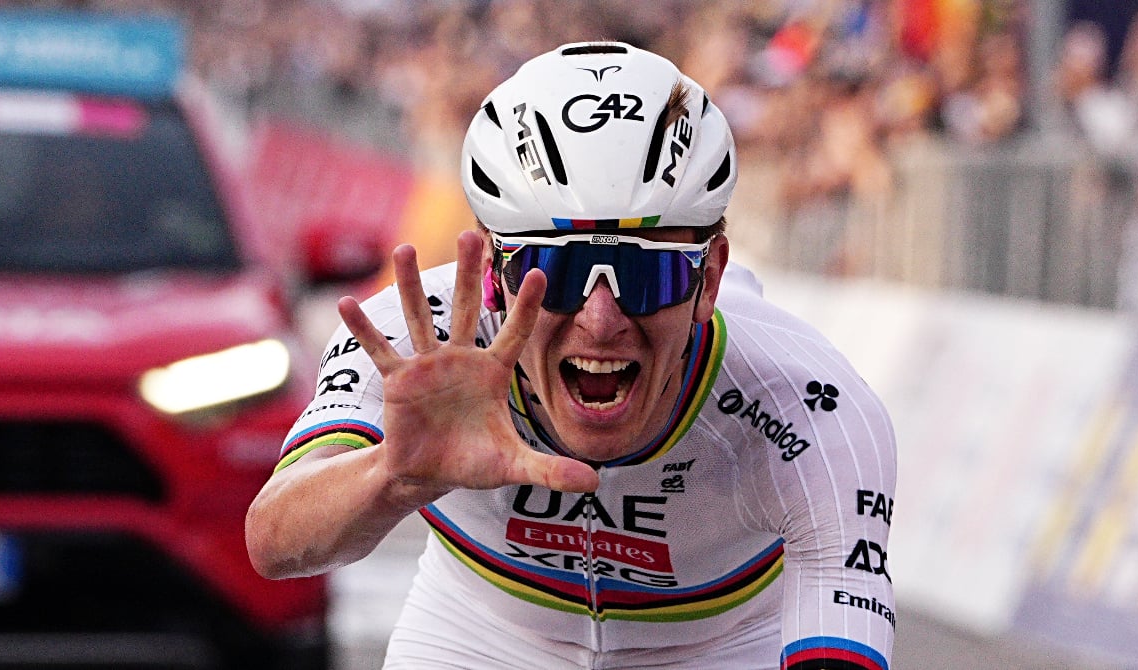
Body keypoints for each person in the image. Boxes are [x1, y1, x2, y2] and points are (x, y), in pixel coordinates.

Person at [246, 41, 897, 670]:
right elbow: (273, 543)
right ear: (494, 273)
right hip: (478, 638)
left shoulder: (805, 407)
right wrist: (394, 476)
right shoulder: (415, 340)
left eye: (647, 276)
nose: (602, 321)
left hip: (721, 649)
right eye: (554, 273)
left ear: (710, 278)